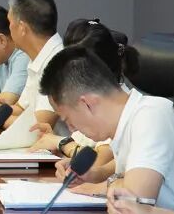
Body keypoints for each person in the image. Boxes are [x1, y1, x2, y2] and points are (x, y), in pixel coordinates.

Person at [40, 46, 174, 211]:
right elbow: (134, 167)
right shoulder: (129, 121)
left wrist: (101, 186)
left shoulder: (151, 116)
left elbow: (137, 197)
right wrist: (96, 175)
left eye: (68, 119)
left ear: (87, 104)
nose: (71, 129)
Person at [30, 18, 139, 155]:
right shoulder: (85, 105)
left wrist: (61, 142)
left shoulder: (115, 107)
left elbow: (99, 160)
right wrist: (56, 142)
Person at [0, 0, 62, 130]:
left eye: (10, 22)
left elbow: (39, 126)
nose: (8, 28)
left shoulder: (59, 62)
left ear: (22, 27)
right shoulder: (37, 57)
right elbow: (22, 109)